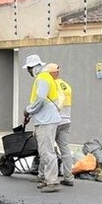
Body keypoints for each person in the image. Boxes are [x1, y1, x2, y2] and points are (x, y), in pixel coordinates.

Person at [22, 54, 61, 192]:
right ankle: (47, 179)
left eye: (28, 69)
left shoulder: (43, 78)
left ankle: (52, 182)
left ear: (33, 67)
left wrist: (28, 110)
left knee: (47, 152)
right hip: (45, 119)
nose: (28, 72)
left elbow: (40, 99)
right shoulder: (44, 77)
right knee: (44, 151)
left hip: (47, 120)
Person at [44, 63, 74, 187]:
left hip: (54, 121)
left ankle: (44, 177)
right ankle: (68, 177)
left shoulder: (52, 85)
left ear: (52, 73)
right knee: (65, 150)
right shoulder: (66, 85)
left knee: (47, 149)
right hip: (66, 121)